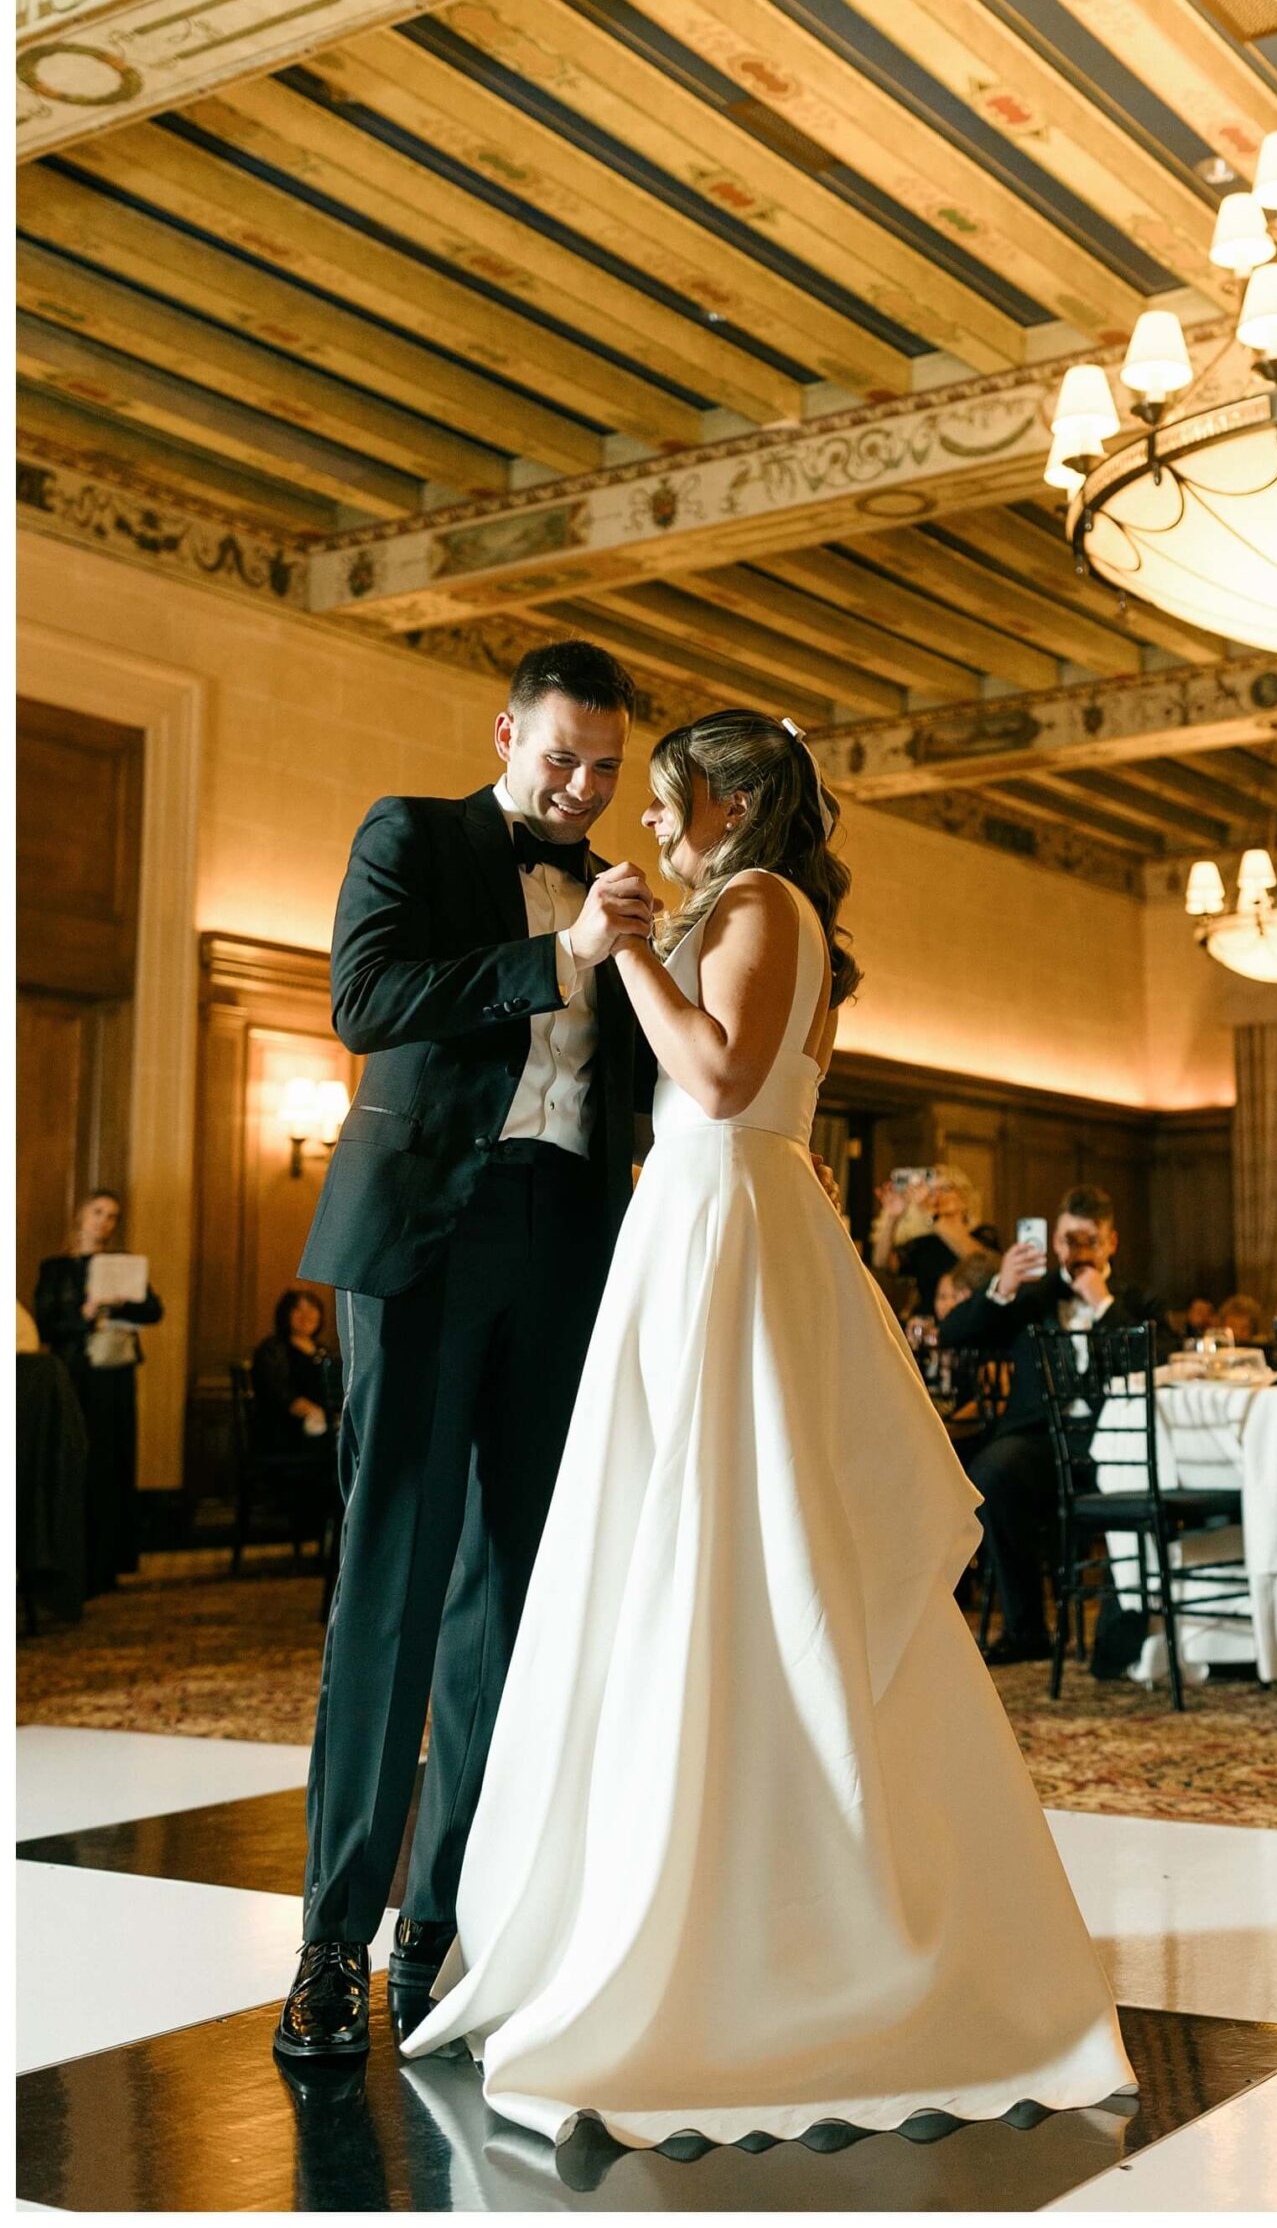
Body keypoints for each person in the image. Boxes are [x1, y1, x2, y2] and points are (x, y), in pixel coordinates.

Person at [403, 709, 1133, 2146]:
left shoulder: (760, 899)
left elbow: (723, 1083)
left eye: (667, 801)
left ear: (729, 800)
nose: (652, 827)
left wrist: (622, 960)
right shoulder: (739, 900)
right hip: (689, 1220)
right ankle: (686, 1883)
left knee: (740, 1539)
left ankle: (797, 1939)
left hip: (724, 1211)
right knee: (680, 1540)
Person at [275, 640, 658, 2065]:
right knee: (395, 1585)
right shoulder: (412, 836)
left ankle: (438, 1927)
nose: (580, 787)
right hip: (428, 1241)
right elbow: (366, 1003)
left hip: (568, 1238)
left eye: (605, 769)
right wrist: (558, 955)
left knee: (510, 1605)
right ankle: (329, 1941)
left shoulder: (618, 897)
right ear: (506, 731)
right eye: (562, 756)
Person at [937, 1190, 1160, 1665]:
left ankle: (1127, 1629)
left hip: (1114, 1440)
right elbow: (955, 1332)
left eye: (1088, 1240)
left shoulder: (1135, 1299)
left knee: (1152, 1476)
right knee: (992, 1473)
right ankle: (1025, 1630)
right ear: (1052, 1241)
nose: (1075, 1251)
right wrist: (1002, 1287)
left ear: (1110, 1243)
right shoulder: (1030, 1296)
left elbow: (1158, 1362)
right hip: (1039, 1440)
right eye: (1066, 1239)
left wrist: (1105, 1308)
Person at [33, 1189, 163, 1596]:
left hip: (114, 1376)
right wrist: (84, 1315)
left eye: (112, 1216)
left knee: (112, 1463)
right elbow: (48, 1326)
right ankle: (73, 1565)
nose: (105, 1222)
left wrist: (123, 1302)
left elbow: (154, 1311)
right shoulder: (55, 1269)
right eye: (98, 1213)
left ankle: (107, 1565)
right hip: (74, 1376)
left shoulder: (122, 1266)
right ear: (81, 1216)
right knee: (79, 1462)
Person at [248, 1290, 341, 1545]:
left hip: (322, 1429)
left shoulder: (323, 1351)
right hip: (285, 1431)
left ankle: (335, 1533)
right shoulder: (273, 1349)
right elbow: (279, 1394)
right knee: (329, 1452)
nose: (306, 1316)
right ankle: (316, 1529)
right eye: (298, 1310)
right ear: (285, 1315)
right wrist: (316, 1413)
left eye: (312, 1309)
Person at [870, 1167, 990, 1314]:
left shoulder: (983, 1234)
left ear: (964, 1198)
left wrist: (929, 1213)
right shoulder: (927, 1243)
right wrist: (892, 1218)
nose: (936, 1195)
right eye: (932, 1190)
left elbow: (978, 1260)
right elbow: (881, 1262)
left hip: (970, 1322)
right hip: (928, 1325)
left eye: (945, 1188)